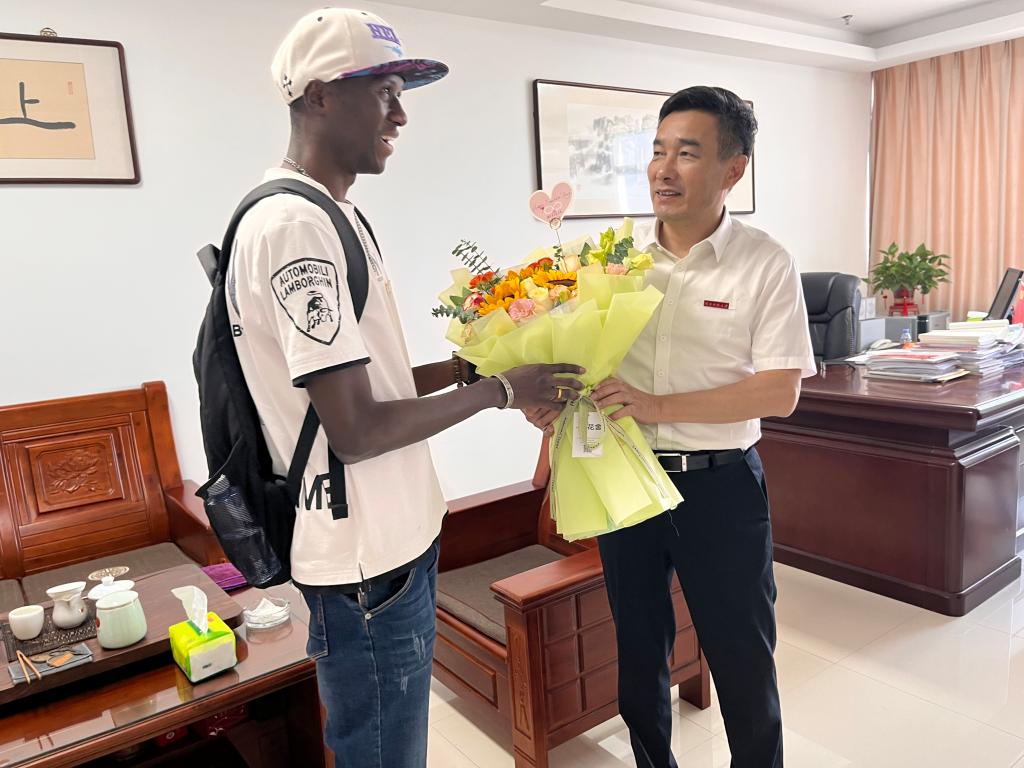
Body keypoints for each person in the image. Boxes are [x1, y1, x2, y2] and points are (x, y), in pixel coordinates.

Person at [228, 9, 583, 767]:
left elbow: (368, 389)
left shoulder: (335, 215)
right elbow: (356, 429)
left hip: (390, 545)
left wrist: (469, 371)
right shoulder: (295, 228)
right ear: (319, 95)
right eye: (384, 91)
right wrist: (502, 391)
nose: (401, 113)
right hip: (367, 562)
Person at [528, 86, 815, 767]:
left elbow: (780, 392)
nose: (663, 169)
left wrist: (657, 405)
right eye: (657, 151)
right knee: (638, 651)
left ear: (732, 169)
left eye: (687, 153)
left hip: (720, 488)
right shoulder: (613, 259)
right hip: (623, 478)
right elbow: (579, 358)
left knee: (742, 656)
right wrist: (551, 404)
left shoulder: (764, 262)